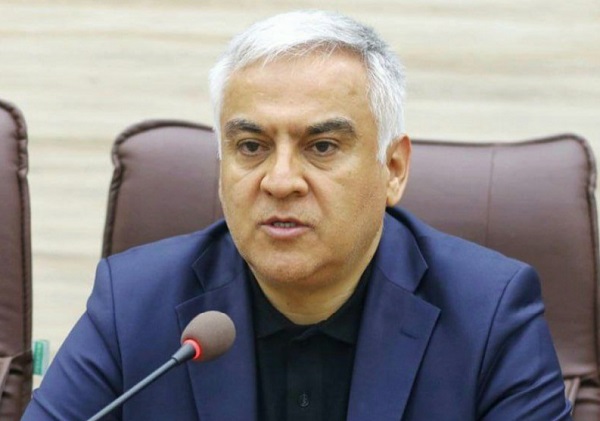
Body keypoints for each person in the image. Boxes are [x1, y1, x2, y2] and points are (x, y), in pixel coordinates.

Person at [23, 10, 572, 421]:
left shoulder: (490, 315)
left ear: (393, 169)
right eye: (251, 146)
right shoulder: (131, 304)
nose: (280, 181)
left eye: (322, 146)